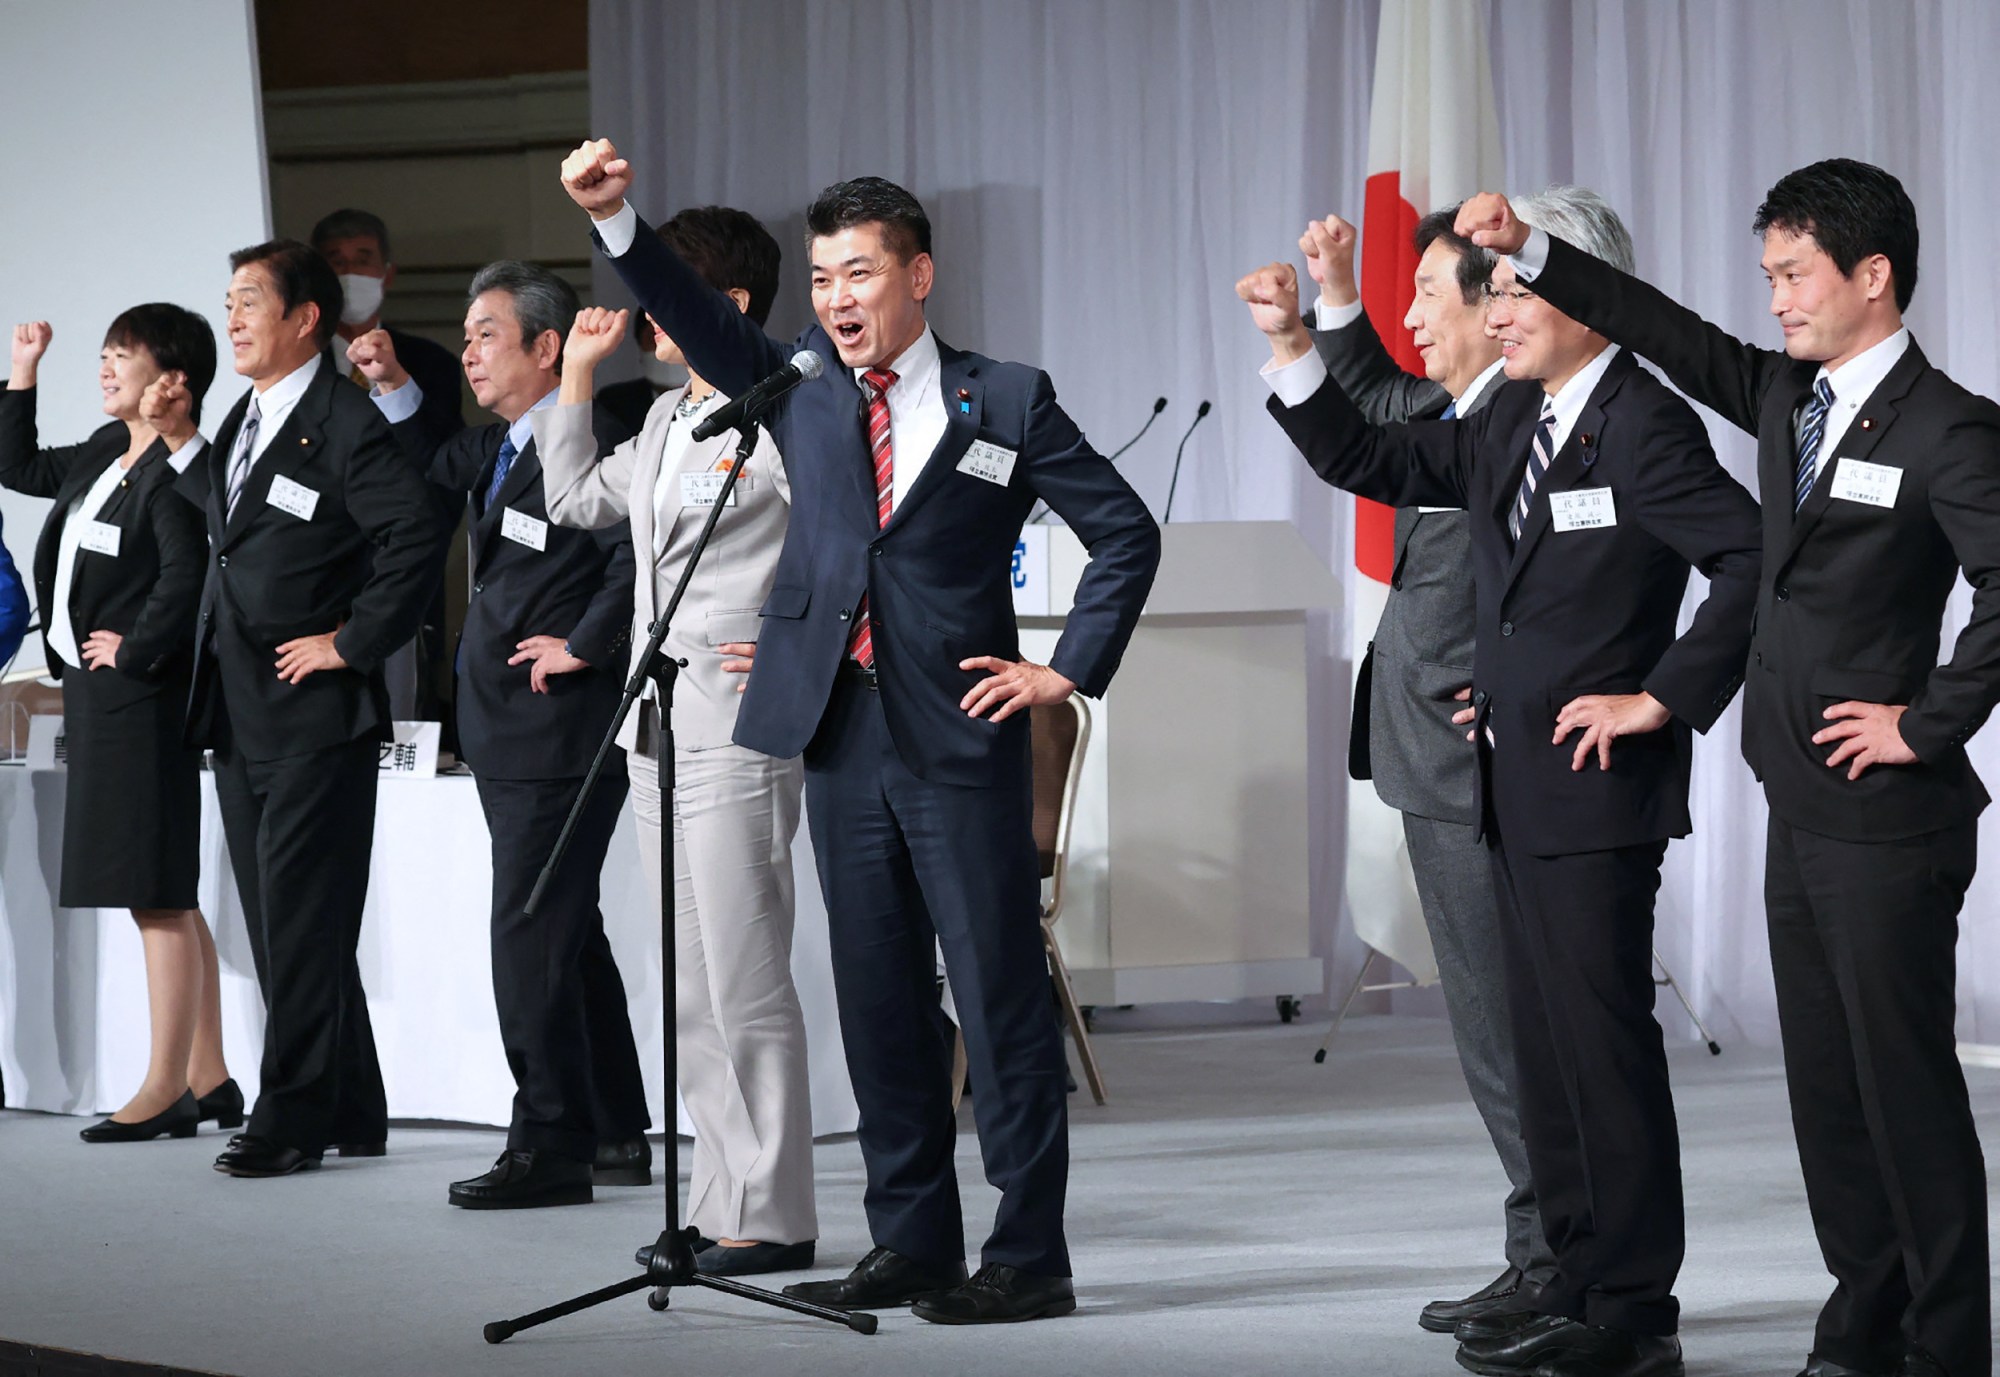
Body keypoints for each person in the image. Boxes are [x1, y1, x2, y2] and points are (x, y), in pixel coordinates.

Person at [561, 139, 1160, 1323]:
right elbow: (696, 314)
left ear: (917, 276)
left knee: (994, 997)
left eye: (860, 273)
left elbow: (1124, 533)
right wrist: (618, 221)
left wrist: (1063, 672)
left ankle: (1028, 1258)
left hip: (961, 736)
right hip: (841, 734)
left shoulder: (1006, 398)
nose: (837, 297)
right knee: (878, 997)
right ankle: (911, 1241)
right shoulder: (799, 389)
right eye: (823, 276)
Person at [1459, 160, 2000, 1377]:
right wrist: (1531, 254)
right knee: (1827, 1096)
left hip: (1891, 816)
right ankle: (1860, 1330)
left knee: (1900, 1093)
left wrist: (1928, 722)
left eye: (1793, 275)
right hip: (1795, 797)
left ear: (1872, 275)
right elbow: (1655, 325)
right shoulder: (1781, 396)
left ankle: (1944, 1348)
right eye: (1766, 277)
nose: (1775, 300)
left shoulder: (1947, 426)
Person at [1242, 186, 1761, 1377]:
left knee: (1601, 1056)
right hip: (1510, 780)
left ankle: (1630, 1312)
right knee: (1545, 1055)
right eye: (1497, 289)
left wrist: (1658, 696)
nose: (1499, 310)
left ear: (1589, 293)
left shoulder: (1641, 421)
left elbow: (1744, 555)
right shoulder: (1512, 415)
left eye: (1520, 288)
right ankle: (1568, 1277)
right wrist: (1289, 345)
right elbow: (1370, 456)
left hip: (1596, 787)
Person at [536, 203, 819, 1277]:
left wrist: (795, 640)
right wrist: (575, 375)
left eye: (666, 298)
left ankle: (776, 1209)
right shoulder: (664, 418)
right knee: (689, 983)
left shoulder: (785, 406)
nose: (648, 319)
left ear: (727, 306)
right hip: (654, 723)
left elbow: (846, 536)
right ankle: (721, 1197)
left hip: (741, 722)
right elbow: (573, 498)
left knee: (744, 974)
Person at [1298, 207, 1555, 1334]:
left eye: (1426, 298)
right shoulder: (1455, 411)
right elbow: (1372, 399)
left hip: (1477, 762)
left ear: (1499, 307)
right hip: (1433, 755)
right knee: (1490, 1030)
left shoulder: (1515, 421)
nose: (1409, 319)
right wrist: (1332, 292)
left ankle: (1555, 1258)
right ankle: (1539, 1247)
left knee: (1507, 1030)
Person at [352, 260, 654, 1211]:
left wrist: (586, 643)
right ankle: (613, 1125)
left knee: (528, 933)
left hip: (560, 728)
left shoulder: (597, 438)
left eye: (487, 334)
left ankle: (549, 1144)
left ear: (547, 346)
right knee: (564, 928)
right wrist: (392, 385)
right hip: (506, 725)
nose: (471, 353)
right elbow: (427, 462)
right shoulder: (494, 445)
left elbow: (633, 557)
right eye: (469, 336)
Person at [177, 239, 446, 1179]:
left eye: (250, 300)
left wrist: (352, 640)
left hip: (313, 712)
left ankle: (289, 1117)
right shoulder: (243, 415)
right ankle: (353, 1106)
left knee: (297, 923)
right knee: (290, 923)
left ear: (305, 319)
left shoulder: (342, 417)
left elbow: (416, 532)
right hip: (239, 709)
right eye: (229, 301)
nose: (233, 318)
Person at [1, 307, 238, 1142]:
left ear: (172, 379)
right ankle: (209, 1075)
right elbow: (18, 464)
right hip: (99, 699)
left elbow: (189, 573)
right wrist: (24, 369)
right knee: (161, 889)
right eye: (103, 354)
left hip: (139, 700)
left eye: (122, 356)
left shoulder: (181, 471)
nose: (105, 369)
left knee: (154, 891)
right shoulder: (110, 449)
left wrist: (133, 649)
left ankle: (165, 1087)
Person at [312, 207, 463, 724]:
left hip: (404, 570)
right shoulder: (300, 367)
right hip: (320, 573)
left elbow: (445, 468)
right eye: (335, 261)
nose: (349, 272)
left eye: (363, 259)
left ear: (388, 273)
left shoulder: (431, 362)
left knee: (405, 714)